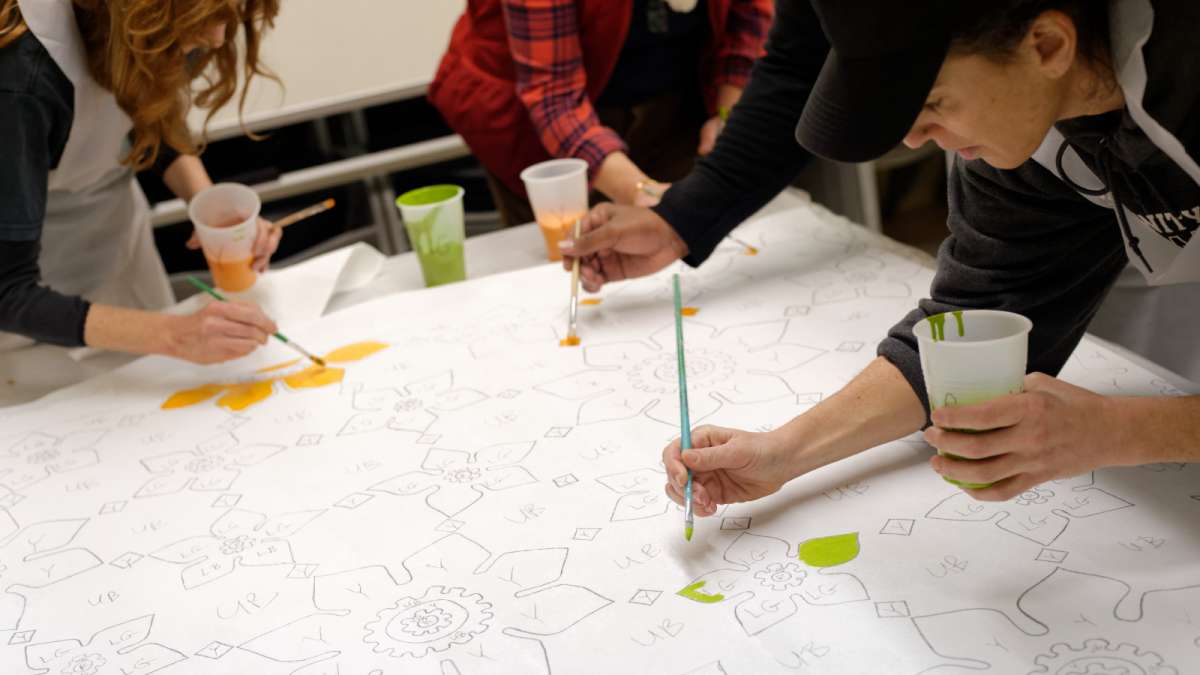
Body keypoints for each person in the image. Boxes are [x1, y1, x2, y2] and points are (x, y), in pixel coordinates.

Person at [558, 0, 1200, 509]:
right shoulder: (1016, 134)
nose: (917, 138)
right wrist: (784, 452)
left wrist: (1124, 430)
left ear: (1047, 45)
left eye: (931, 105)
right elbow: (967, 323)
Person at [0, 0, 282, 364]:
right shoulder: (19, 80)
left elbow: (145, 114)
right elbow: (7, 291)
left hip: (117, 244)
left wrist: (210, 207)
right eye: (210, 19)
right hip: (21, 309)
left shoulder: (130, 25)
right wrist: (176, 336)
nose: (217, 38)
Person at [427, 0, 772, 227]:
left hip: (676, 108)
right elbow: (552, 95)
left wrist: (728, 111)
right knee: (571, 264)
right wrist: (642, 191)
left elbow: (749, 16)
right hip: (537, 129)